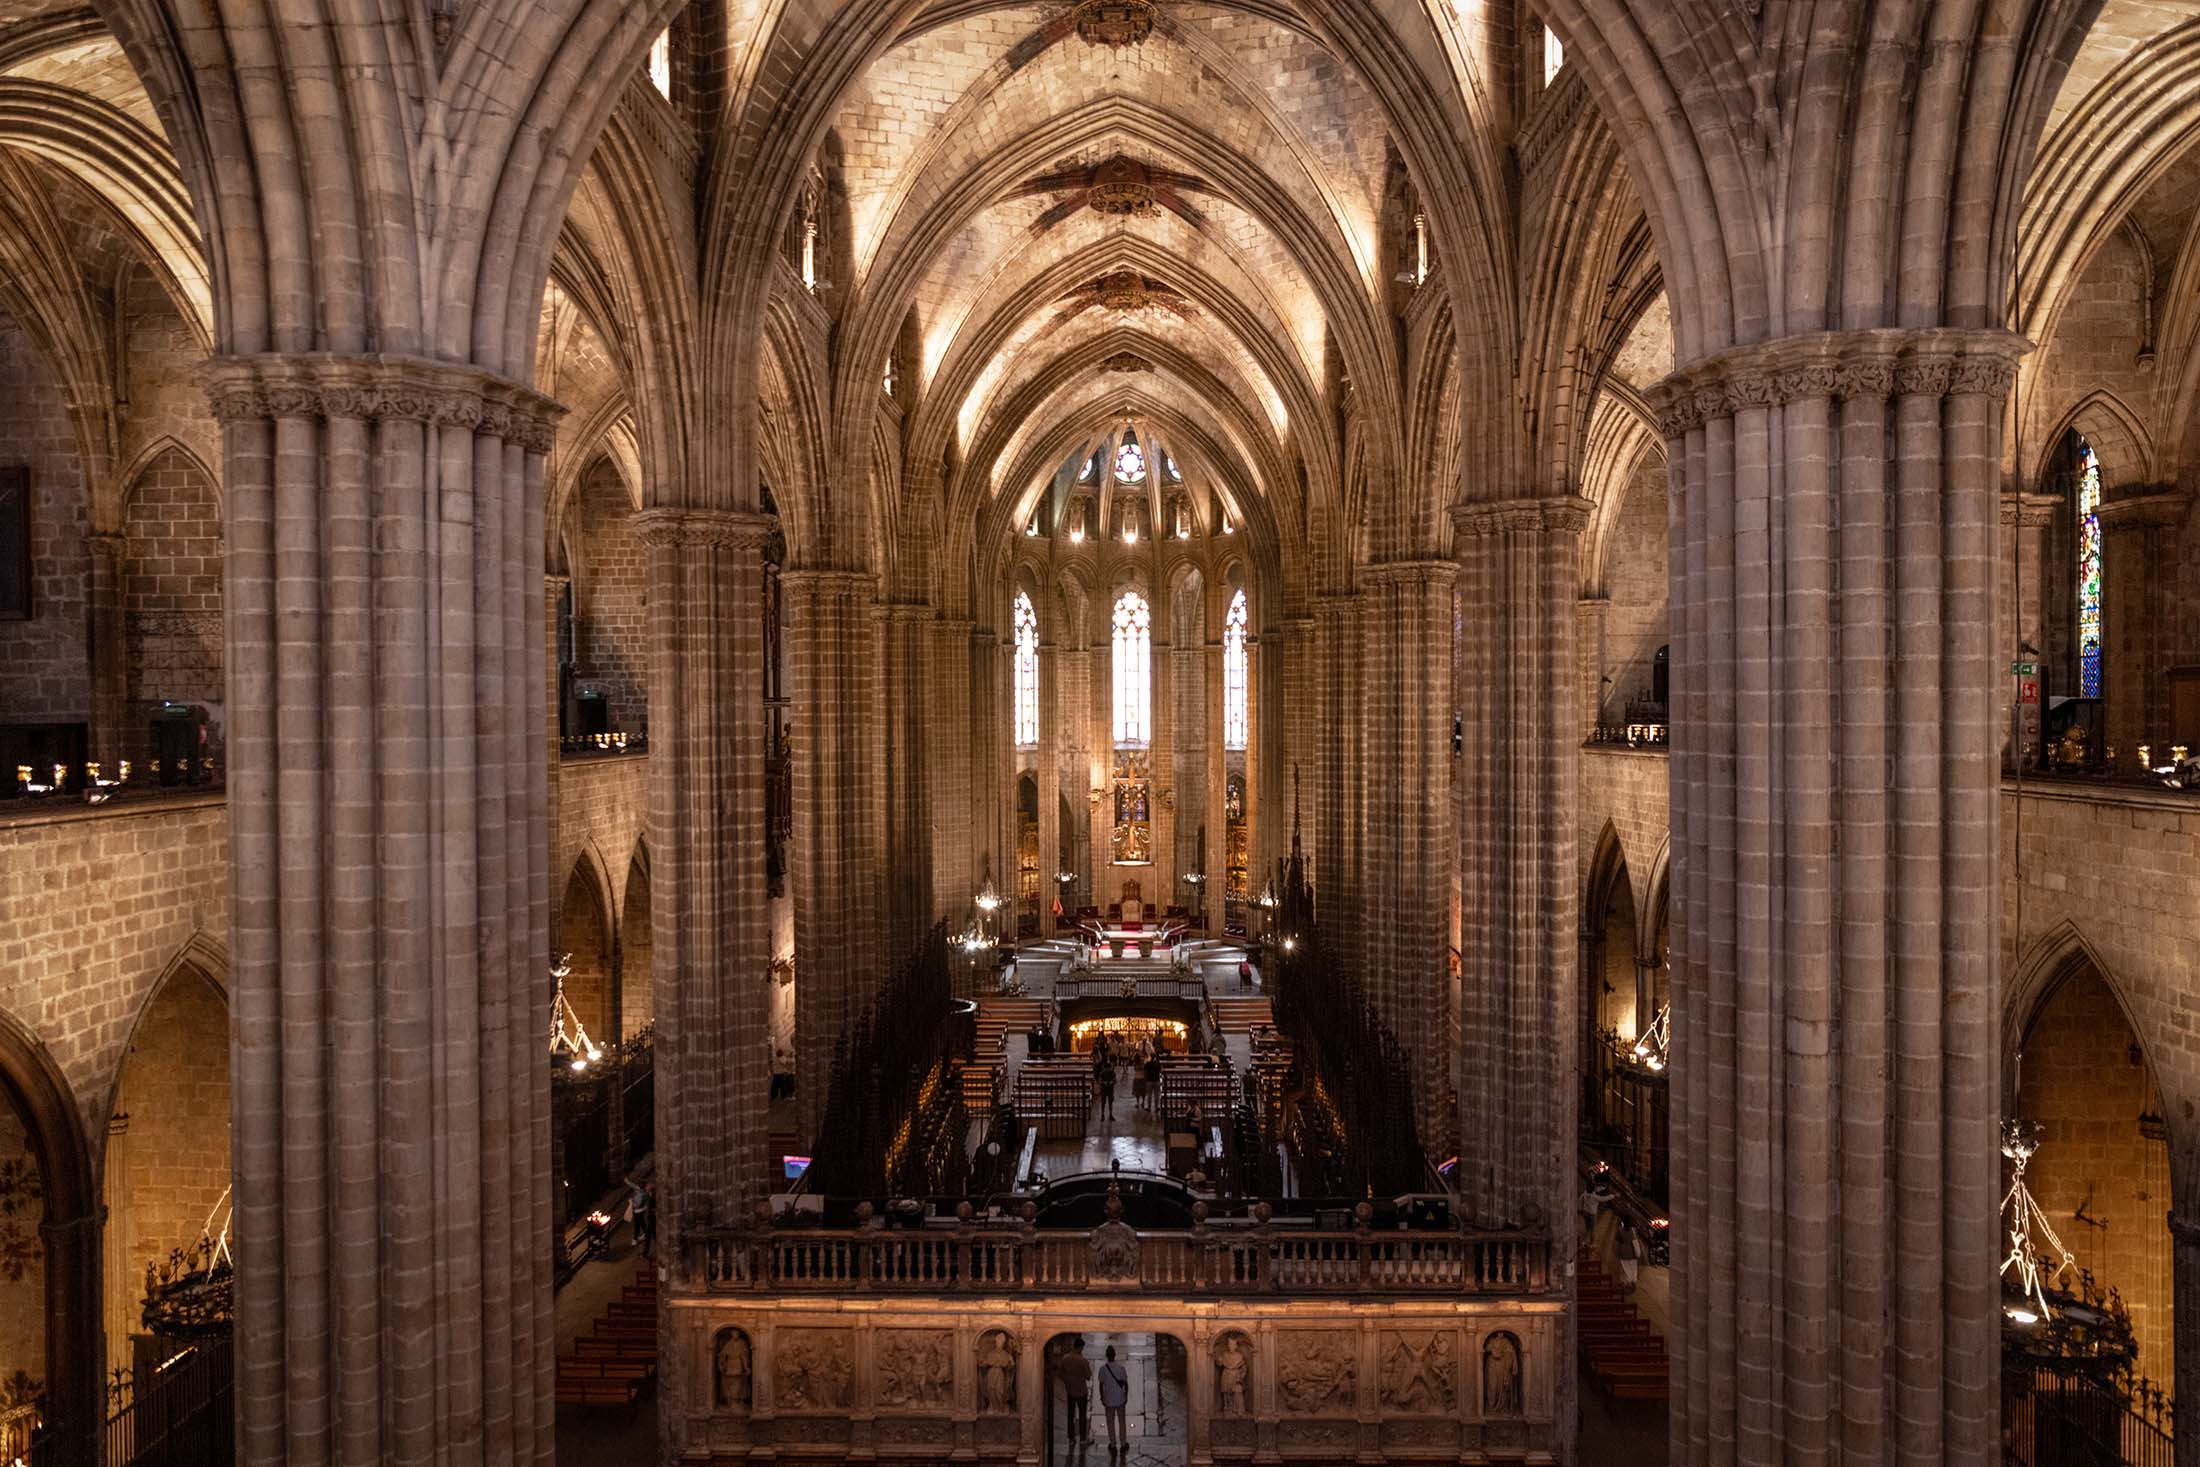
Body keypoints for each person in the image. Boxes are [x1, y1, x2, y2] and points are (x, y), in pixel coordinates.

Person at [1056, 1336, 1093, 1444]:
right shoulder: (1082, 1361)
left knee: (1070, 1415)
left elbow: (1059, 1373)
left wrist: (1067, 1380)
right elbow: (1088, 1376)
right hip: (1081, 1391)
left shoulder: (1065, 1358)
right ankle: (1082, 1438)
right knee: (1082, 1415)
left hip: (1070, 1390)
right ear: (1080, 1347)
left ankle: (1071, 1438)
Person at [1097, 1344, 1130, 1454]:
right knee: (1122, 1422)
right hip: (1120, 1399)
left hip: (1109, 1400)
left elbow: (1101, 1385)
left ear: (1107, 1356)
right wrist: (1126, 1396)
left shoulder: (1102, 1369)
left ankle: (1113, 1444)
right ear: (1114, 1355)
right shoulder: (1121, 1368)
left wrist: (1102, 1397)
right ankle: (1123, 1444)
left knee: (1110, 1423)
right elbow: (1126, 1384)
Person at [1097, 1053, 1117, 1120]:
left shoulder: (1112, 1073)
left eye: (1109, 1068)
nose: (1108, 1069)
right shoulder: (1102, 1073)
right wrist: (1104, 1083)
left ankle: (1110, 1114)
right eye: (1107, 1068)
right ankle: (1102, 1114)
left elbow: (1115, 1080)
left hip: (1110, 1089)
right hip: (1104, 1089)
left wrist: (1111, 1082)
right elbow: (1099, 1081)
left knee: (1110, 1103)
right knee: (1103, 1103)